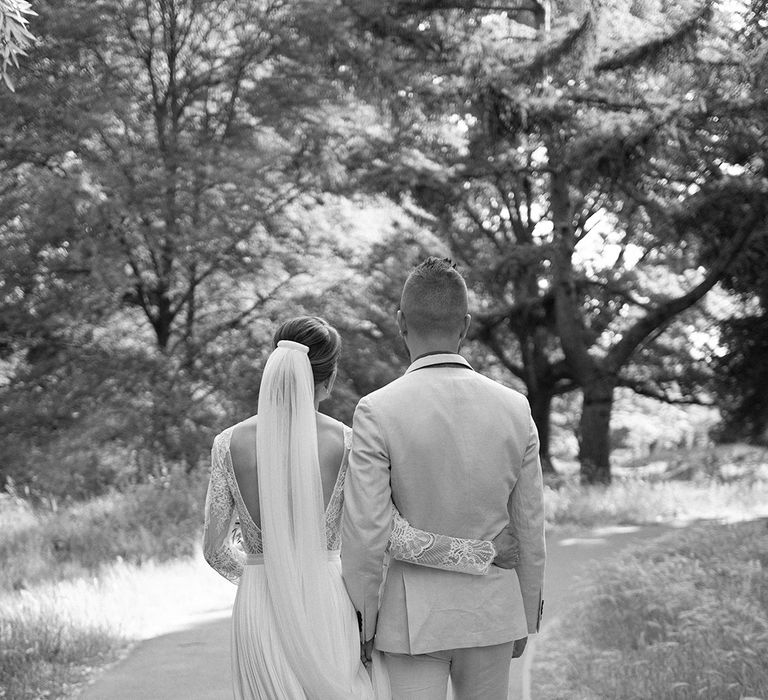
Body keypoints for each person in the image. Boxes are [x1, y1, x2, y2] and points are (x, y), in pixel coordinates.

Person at [202, 315, 518, 699]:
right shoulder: (345, 442)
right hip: (326, 607)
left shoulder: (227, 443)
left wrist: (271, 581)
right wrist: (484, 552)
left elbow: (214, 551)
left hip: (259, 610)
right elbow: (392, 536)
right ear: (329, 378)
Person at [341, 258, 546, 700]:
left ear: (400, 323)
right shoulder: (515, 407)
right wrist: (526, 614)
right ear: (466, 325)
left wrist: (362, 620)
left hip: (410, 619)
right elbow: (530, 525)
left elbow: (367, 531)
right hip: (492, 612)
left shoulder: (377, 410)